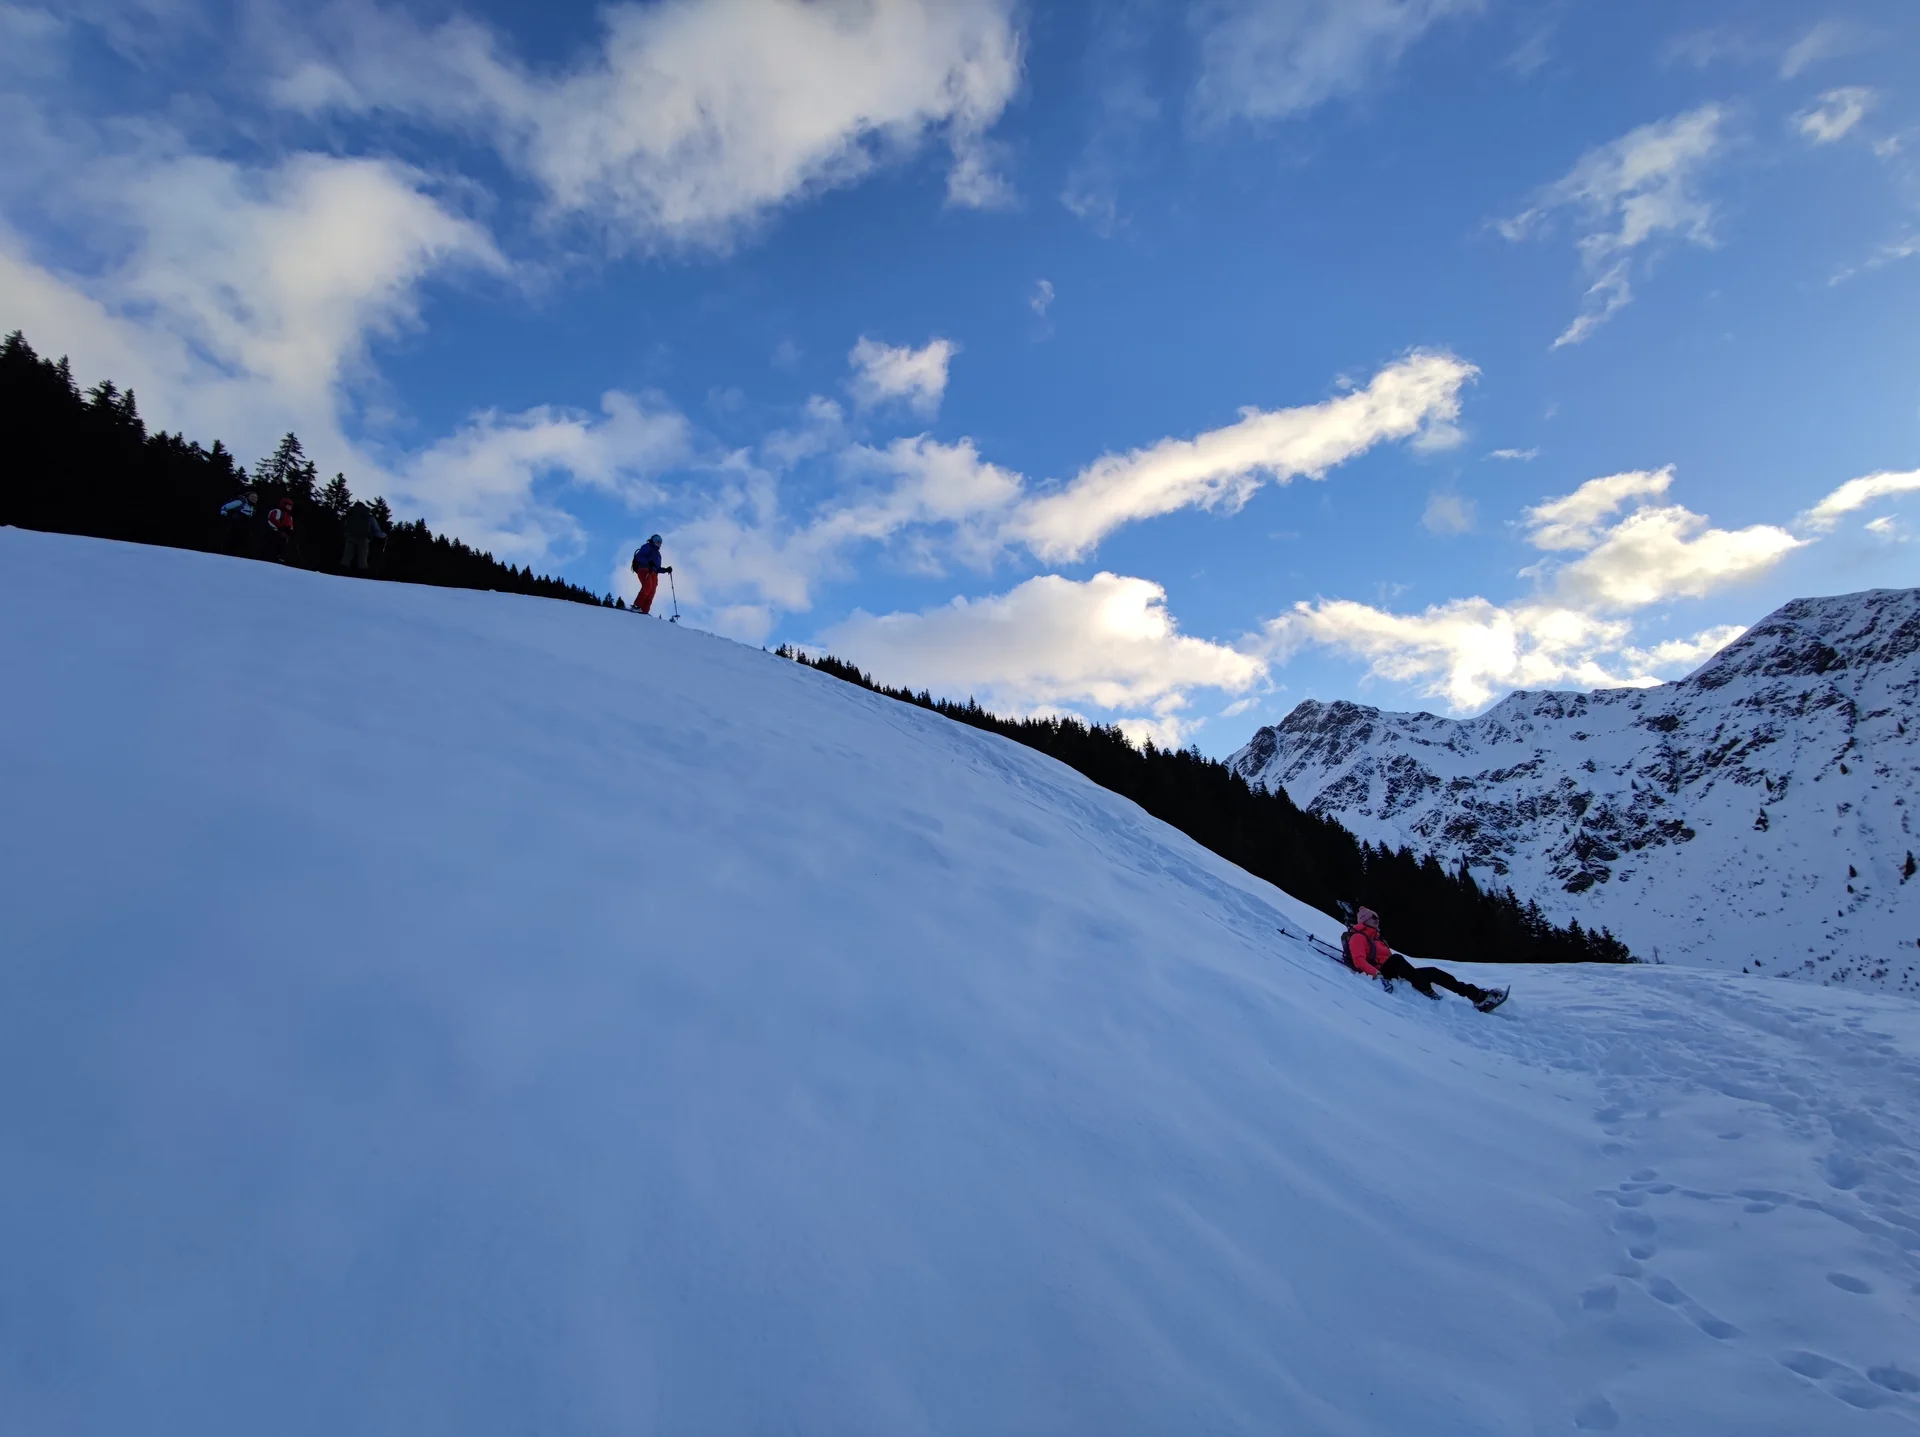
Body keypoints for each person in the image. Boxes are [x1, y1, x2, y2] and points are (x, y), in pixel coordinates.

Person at [1343, 907, 1508, 1012]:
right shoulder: (1358, 937)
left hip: (1398, 971)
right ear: (1366, 921)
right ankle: (1424, 988)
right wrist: (1376, 974)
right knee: (1397, 959)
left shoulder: (1377, 938)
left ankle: (1477, 996)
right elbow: (1359, 960)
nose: (1378, 921)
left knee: (1433, 972)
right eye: (1374, 919)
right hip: (1386, 971)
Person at [630, 534, 672, 615]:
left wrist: (666, 570)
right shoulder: (648, 546)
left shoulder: (658, 554)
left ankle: (644, 610)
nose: (659, 542)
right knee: (647, 587)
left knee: (652, 591)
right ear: (652, 540)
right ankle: (637, 606)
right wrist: (648, 563)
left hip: (654, 573)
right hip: (645, 569)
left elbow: (657, 568)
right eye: (657, 539)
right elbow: (640, 556)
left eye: (660, 541)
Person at [340, 500, 386, 572]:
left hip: (350, 536)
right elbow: (376, 530)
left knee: (347, 555)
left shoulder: (350, 514)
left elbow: (345, 526)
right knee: (362, 558)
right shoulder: (368, 516)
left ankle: (342, 571)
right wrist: (384, 535)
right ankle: (362, 574)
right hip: (364, 538)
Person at [218, 488, 259, 556]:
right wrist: (224, 514)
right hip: (236, 523)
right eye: (252, 497)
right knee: (232, 539)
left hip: (245, 525)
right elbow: (226, 507)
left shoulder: (252, 507)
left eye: (256, 497)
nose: (254, 499)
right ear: (248, 496)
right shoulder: (240, 502)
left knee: (242, 541)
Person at [264, 493, 297, 564]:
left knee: (283, 551)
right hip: (274, 534)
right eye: (288, 505)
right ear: (284, 504)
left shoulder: (290, 517)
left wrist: (290, 532)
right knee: (271, 550)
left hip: (284, 536)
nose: (290, 507)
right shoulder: (277, 511)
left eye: (291, 506)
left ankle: (280, 561)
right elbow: (272, 519)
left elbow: (290, 526)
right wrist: (281, 528)